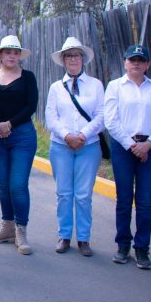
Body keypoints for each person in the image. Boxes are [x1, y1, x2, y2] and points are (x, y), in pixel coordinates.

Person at [104, 45, 151, 270]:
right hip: (124, 147)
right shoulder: (115, 87)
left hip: (150, 148)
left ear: (148, 64)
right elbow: (111, 121)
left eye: (141, 60)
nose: (136, 64)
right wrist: (133, 146)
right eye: (132, 60)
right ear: (125, 62)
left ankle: (142, 248)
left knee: (144, 202)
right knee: (123, 199)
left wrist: (148, 144)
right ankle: (123, 245)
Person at [45, 37, 105, 256]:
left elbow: (101, 116)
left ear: (83, 59)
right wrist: (67, 135)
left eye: (76, 55)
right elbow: (51, 117)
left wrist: (82, 135)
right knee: (63, 193)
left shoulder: (96, 85)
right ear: (63, 60)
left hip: (88, 146)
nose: (73, 59)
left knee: (83, 194)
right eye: (69, 55)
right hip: (61, 146)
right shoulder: (55, 88)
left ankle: (84, 238)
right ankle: (64, 235)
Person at [0, 35, 38, 255]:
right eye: (8, 52)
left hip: (22, 135)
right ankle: (7, 227)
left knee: (17, 185)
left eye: (16, 52)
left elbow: (31, 105)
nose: (12, 56)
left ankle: (21, 230)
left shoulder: (28, 77)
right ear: (0, 55)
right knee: (3, 185)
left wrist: (10, 124)